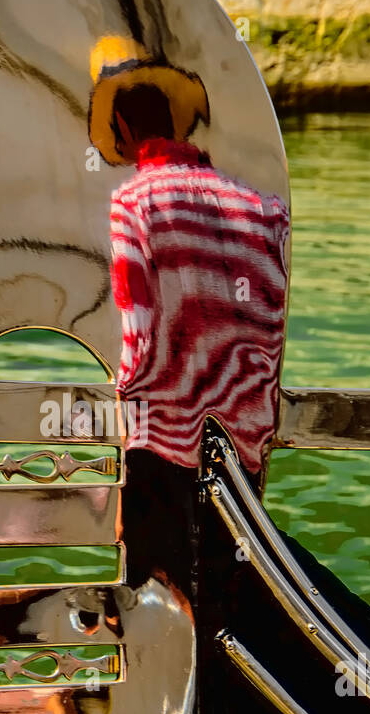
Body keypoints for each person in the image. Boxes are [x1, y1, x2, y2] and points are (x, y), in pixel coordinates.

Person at [87, 36, 290, 597]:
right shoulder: (264, 209)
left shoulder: (135, 203)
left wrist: (124, 393)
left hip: (164, 446)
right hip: (242, 449)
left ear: (125, 132)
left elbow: (140, 332)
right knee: (224, 595)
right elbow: (269, 336)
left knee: (158, 606)